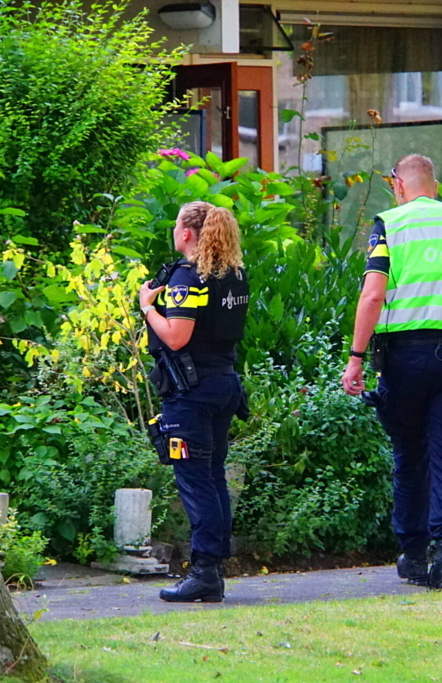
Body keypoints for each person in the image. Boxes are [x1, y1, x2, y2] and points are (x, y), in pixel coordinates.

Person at [342, 154, 442, 591]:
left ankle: (413, 555)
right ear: (435, 184)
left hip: (406, 356)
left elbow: (373, 296)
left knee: (410, 455)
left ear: (398, 185)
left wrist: (356, 357)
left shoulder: (390, 224)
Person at [139, 201, 249, 603]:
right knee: (213, 476)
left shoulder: (189, 277)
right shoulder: (233, 275)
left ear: (186, 233)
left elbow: (176, 336)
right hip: (223, 385)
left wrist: (148, 307)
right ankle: (212, 571)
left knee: (196, 479)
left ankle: (204, 572)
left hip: (192, 393)